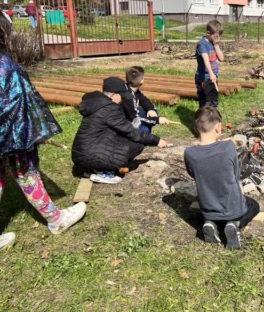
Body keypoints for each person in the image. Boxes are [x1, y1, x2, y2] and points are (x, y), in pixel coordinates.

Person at [0, 13, 86, 250]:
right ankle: (56, 219)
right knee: (25, 171)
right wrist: (36, 130)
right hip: (10, 133)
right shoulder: (5, 65)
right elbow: (19, 103)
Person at [72, 76, 172, 184]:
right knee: (137, 144)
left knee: (125, 140)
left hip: (82, 153)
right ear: (112, 94)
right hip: (88, 155)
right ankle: (105, 173)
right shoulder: (109, 109)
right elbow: (131, 131)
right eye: (122, 96)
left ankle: (92, 169)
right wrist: (156, 140)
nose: (124, 99)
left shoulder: (98, 104)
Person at [184, 107, 260, 249]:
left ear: (195, 127)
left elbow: (192, 173)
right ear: (218, 127)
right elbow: (236, 174)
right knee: (254, 205)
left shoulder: (189, 153)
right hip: (233, 207)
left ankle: (210, 223)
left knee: (204, 207)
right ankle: (234, 224)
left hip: (208, 207)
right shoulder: (228, 147)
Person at [122, 66, 171, 133]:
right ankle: (140, 137)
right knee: (145, 129)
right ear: (141, 81)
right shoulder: (128, 97)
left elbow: (144, 100)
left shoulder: (132, 89)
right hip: (125, 122)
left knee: (153, 111)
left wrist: (150, 109)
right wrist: (157, 120)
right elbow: (136, 118)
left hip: (131, 117)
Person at [195, 19, 224, 108]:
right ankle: (204, 120)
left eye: (219, 36)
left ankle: (213, 120)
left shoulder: (213, 43)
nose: (217, 38)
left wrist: (216, 45)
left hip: (214, 76)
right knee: (205, 102)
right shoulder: (202, 44)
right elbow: (206, 60)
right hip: (204, 78)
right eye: (215, 36)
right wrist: (211, 73)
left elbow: (222, 58)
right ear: (208, 33)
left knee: (214, 100)